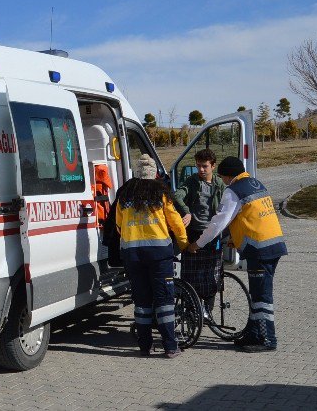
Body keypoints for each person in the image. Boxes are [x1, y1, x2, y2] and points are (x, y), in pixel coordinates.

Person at [187, 156, 287, 353]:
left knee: (261, 296)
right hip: (273, 244)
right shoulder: (255, 183)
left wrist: (197, 244)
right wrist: (237, 237)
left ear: (227, 175)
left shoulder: (234, 190)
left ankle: (268, 340)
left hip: (260, 249)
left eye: (222, 176)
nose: (222, 180)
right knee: (257, 293)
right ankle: (252, 334)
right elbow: (250, 217)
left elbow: (219, 221)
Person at [116, 154, 188, 358]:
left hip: (132, 255)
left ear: (137, 174)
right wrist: (183, 244)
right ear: (154, 173)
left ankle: (144, 346)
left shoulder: (125, 195)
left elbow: (119, 225)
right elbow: (175, 222)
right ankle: (170, 347)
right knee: (164, 301)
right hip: (159, 255)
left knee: (142, 302)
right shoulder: (160, 193)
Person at [173, 149, 225, 313]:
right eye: (198, 166)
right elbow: (177, 196)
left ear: (213, 166)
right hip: (194, 233)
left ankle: (207, 311)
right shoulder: (192, 181)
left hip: (213, 234)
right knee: (190, 275)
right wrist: (186, 211)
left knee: (212, 274)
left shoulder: (220, 184)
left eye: (205, 166)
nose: (201, 170)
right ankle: (191, 310)